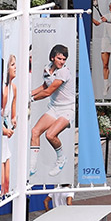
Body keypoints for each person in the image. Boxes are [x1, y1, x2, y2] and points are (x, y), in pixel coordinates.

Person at [29, 44, 75, 177]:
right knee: (35, 131)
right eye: (59, 59)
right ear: (52, 58)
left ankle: (61, 159)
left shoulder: (64, 72)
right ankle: (32, 167)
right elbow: (45, 85)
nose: (62, 62)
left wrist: (31, 99)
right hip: (54, 108)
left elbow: (48, 92)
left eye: (64, 59)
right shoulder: (47, 68)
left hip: (67, 109)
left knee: (50, 135)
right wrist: (29, 93)